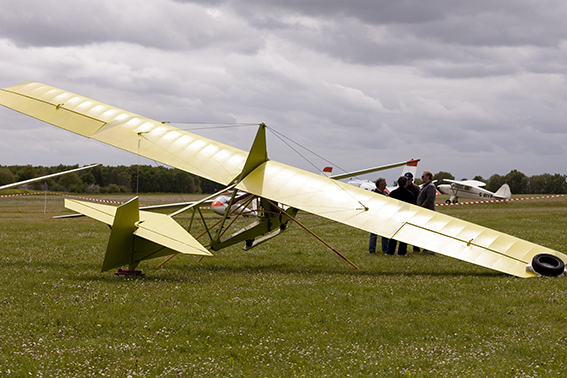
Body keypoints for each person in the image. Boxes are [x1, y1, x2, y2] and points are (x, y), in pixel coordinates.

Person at [387, 176, 415, 256]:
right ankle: (402, 252)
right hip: (405, 216)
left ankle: (390, 251)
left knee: (393, 234)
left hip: (395, 216)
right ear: (406, 183)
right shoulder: (410, 194)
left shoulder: (393, 193)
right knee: (403, 235)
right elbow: (413, 207)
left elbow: (389, 205)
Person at [416, 170, 437, 255]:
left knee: (429, 231)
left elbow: (430, 199)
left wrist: (422, 206)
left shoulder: (431, 186)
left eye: (423, 176)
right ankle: (425, 248)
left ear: (428, 177)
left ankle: (431, 250)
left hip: (428, 211)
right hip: (424, 211)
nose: (422, 178)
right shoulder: (425, 186)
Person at [368, 177, 390, 254]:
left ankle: (385, 249)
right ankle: (372, 250)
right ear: (380, 184)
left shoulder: (385, 194)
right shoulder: (373, 193)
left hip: (384, 215)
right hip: (375, 216)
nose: (386, 184)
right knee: (373, 235)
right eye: (384, 183)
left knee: (384, 234)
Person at [405, 172, 421, 252]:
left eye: (408, 179)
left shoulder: (416, 188)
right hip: (404, 211)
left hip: (413, 211)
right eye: (406, 179)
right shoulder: (403, 187)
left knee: (415, 230)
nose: (407, 181)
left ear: (412, 180)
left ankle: (416, 247)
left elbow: (418, 200)